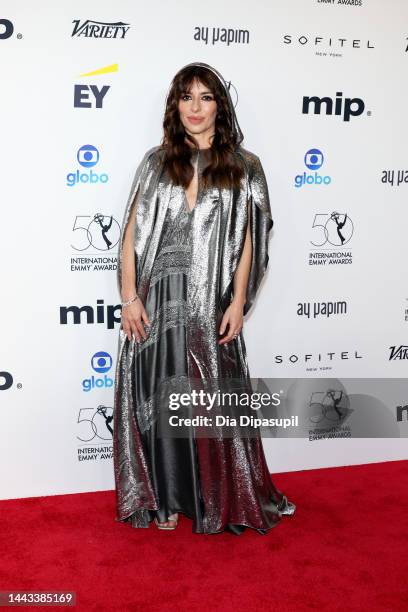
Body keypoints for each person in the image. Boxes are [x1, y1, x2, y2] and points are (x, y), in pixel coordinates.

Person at [112, 61, 296, 535]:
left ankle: (216, 496)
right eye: (186, 97)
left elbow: (252, 240)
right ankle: (165, 498)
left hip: (211, 303)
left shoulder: (245, 165)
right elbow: (131, 235)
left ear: (220, 105)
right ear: (175, 105)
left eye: (206, 97)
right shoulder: (155, 162)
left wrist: (239, 302)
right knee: (157, 397)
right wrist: (130, 298)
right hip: (157, 300)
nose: (195, 107)